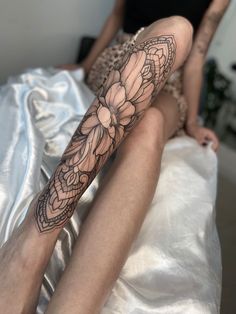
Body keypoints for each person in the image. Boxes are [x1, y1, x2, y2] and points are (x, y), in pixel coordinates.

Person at [0, 1, 229, 313]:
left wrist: (192, 124)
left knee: (152, 123)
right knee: (176, 29)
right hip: (126, 55)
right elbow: (118, 15)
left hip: (172, 82)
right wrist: (85, 65)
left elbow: (197, 56)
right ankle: (32, 246)